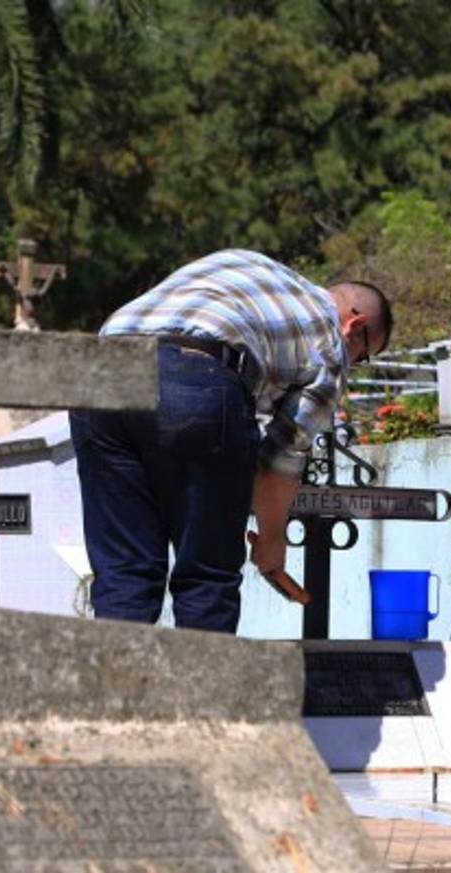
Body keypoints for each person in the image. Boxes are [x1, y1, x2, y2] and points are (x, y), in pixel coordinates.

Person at [70, 248, 393, 633]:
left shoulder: (249, 263)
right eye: (363, 356)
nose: (353, 364)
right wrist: (272, 542)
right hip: (194, 380)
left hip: (97, 372)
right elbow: (281, 461)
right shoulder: (329, 344)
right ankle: (203, 696)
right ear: (354, 326)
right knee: (205, 577)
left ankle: (112, 692)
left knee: (124, 573)